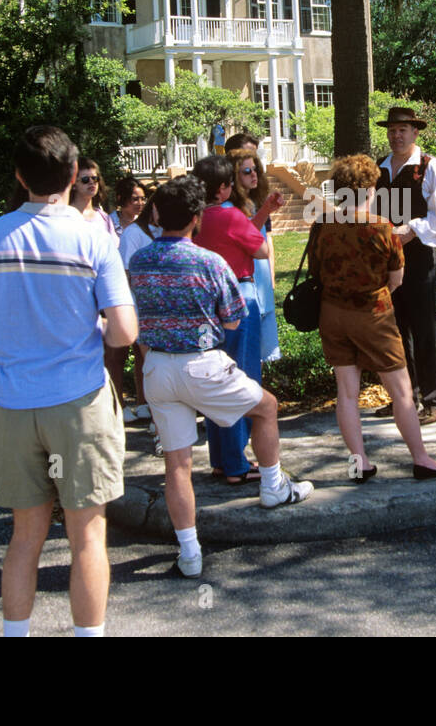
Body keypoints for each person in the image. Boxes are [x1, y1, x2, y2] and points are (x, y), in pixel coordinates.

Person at [0, 126, 138, 637]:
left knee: (24, 538)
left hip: (12, 405)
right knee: (88, 537)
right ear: (74, 174)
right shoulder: (93, 238)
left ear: (18, 175)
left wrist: (12, 334)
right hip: (79, 402)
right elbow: (123, 329)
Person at [128, 176, 312, 578]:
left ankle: (190, 552)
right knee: (266, 408)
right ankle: (272, 486)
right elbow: (232, 320)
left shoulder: (139, 261)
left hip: (156, 367)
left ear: (156, 213)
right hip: (201, 362)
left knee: (177, 465)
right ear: (196, 217)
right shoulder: (210, 262)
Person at [311, 156, 436, 481]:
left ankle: (359, 463)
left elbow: (318, 270)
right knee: (402, 392)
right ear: (369, 188)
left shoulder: (323, 225)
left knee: (347, 392)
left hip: (331, 315)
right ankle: (421, 459)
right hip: (372, 315)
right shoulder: (381, 227)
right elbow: (396, 278)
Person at [189, 155, 283, 484]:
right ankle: (236, 464)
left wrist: (261, 214)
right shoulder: (231, 215)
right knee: (241, 379)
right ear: (224, 187)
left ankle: (221, 459)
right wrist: (257, 221)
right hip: (240, 299)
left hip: (206, 306)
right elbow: (260, 250)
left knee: (216, 381)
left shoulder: (196, 219)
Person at [371, 107, 436, 425]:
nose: (396, 135)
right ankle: (405, 398)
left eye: (403, 130)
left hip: (419, 261)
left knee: (424, 328)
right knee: (394, 331)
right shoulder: (378, 170)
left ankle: (434, 401)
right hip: (385, 264)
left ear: (415, 132)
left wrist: (410, 231)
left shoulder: (432, 169)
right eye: (392, 130)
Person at [228, 147, 281, 363]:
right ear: (233, 176)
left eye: (255, 169)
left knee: (264, 348)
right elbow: (245, 237)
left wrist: (272, 273)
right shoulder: (230, 208)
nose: (254, 174)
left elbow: (264, 238)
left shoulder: (254, 203)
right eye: (247, 171)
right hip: (243, 280)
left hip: (260, 278)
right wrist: (266, 211)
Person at [108, 177, 148, 406]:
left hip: (139, 295)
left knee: (142, 351)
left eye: (143, 199)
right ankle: (116, 404)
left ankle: (143, 403)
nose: (140, 203)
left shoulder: (146, 226)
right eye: (134, 199)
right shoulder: (108, 223)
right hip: (115, 293)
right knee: (116, 353)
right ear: (121, 199)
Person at [70, 157, 118, 244]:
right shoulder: (65, 216)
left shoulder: (104, 218)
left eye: (95, 178)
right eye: (85, 179)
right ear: (73, 184)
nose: (91, 182)